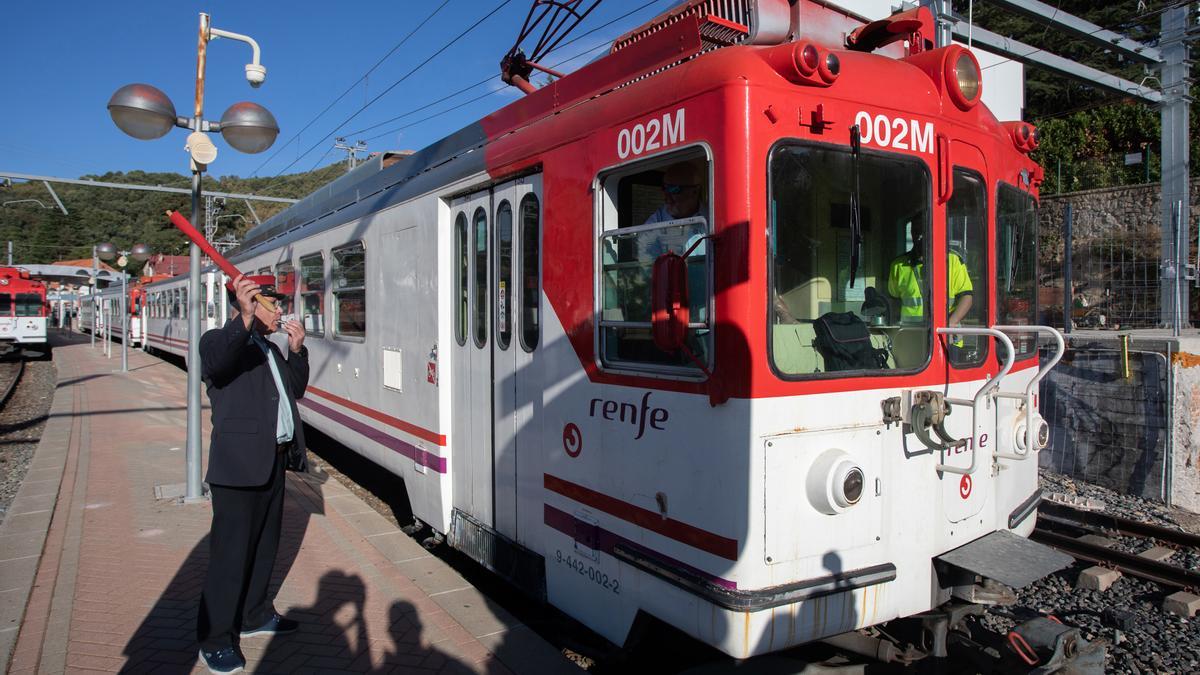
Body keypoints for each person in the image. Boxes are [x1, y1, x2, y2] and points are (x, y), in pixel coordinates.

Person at [196, 274, 308, 674]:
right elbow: (217, 364)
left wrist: (297, 350)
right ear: (247, 304)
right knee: (230, 558)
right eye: (271, 303)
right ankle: (214, 640)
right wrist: (243, 320)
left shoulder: (270, 349)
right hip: (238, 467)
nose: (280, 310)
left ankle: (255, 614)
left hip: (273, 461)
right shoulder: (219, 340)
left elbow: (295, 390)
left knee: (264, 547)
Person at [887, 223, 974, 340]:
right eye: (916, 231)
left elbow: (966, 297)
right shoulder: (898, 265)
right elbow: (893, 300)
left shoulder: (953, 261)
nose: (919, 236)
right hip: (911, 337)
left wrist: (951, 324)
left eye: (923, 231)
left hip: (946, 338)